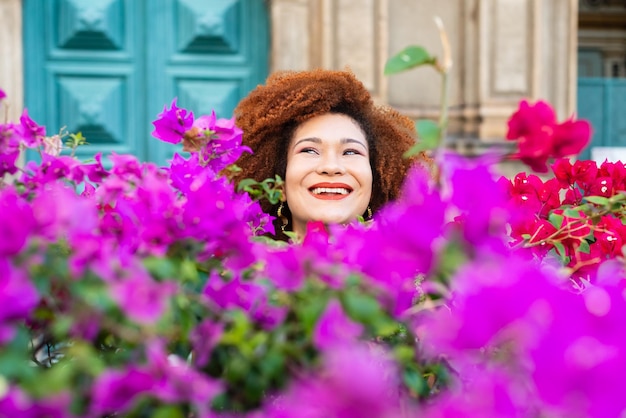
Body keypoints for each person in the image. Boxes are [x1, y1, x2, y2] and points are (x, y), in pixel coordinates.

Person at [233, 69, 430, 241]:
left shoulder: (417, 282)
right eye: (309, 150)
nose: (331, 167)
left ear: (373, 181)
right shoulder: (236, 276)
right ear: (279, 185)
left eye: (351, 152)